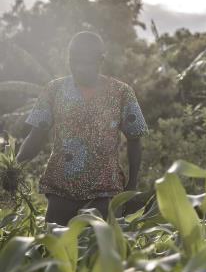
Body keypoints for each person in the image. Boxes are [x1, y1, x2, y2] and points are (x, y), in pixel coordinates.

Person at [14, 31, 148, 224]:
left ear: (100, 60)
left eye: (85, 63)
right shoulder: (54, 90)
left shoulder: (121, 93)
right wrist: (15, 167)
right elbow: (36, 135)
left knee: (102, 250)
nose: (78, 68)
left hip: (105, 190)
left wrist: (132, 184)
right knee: (54, 248)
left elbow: (135, 138)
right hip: (61, 188)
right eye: (74, 61)